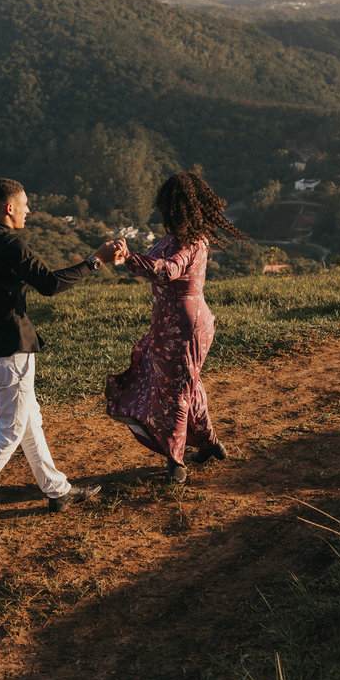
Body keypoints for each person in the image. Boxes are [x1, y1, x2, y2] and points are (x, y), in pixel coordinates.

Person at [0, 178, 123, 524]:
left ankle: (57, 490)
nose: (29, 211)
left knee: (29, 420)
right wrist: (95, 260)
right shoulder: (10, 244)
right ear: (9, 208)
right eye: (24, 205)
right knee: (10, 429)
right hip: (11, 350)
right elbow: (50, 285)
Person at [105, 168, 249, 484]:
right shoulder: (173, 239)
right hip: (168, 327)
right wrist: (129, 258)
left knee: (176, 393)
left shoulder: (192, 243)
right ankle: (210, 445)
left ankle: (176, 461)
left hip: (186, 330)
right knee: (188, 387)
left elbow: (167, 271)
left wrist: (131, 258)